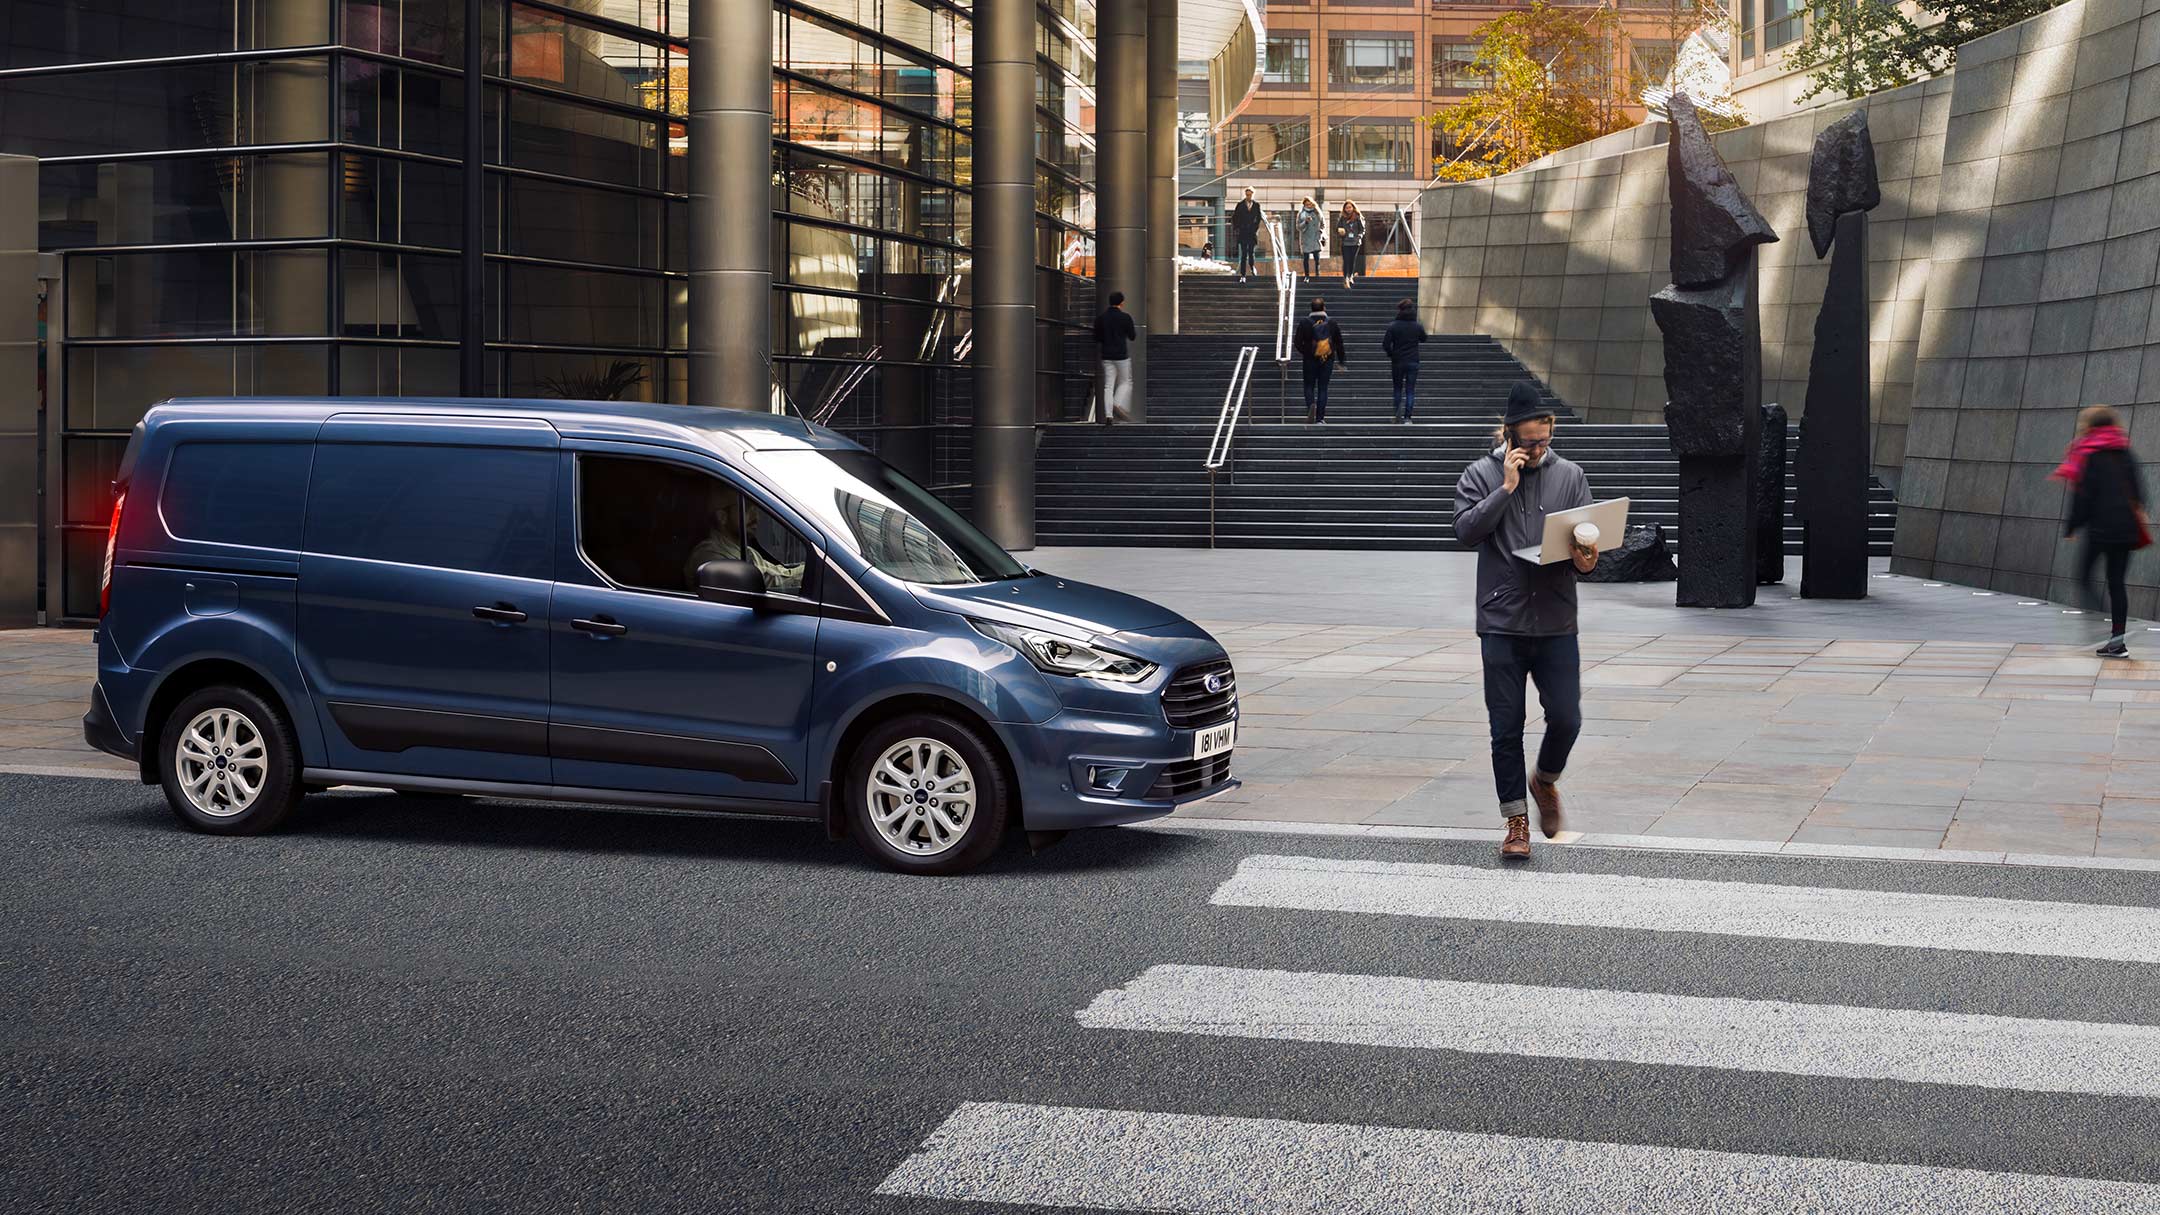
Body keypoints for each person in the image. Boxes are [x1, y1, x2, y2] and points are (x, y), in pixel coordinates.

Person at [1452, 382, 1597, 861]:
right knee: (1505, 726)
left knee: (1567, 718)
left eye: (1544, 441)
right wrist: (1505, 489)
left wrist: (1587, 557)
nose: (1537, 450)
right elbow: (1466, 530)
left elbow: (1584, 549)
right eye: (1529, 442)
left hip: (1556, 618)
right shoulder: (1480, 473)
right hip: (1502, 621)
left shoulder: (1571, 476)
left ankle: (1546, 780)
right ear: (1509, 436)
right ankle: (1516, 822)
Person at [2055, 405, 2149, 656]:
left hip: (2101, 529)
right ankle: (2117, 641)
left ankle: (2099, 623)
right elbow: (2140, 493)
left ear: (2091, 427)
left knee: (2084, 577)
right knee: (2117, 583)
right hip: (2126, 529)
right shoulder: (2126, 452)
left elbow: (2083, 496)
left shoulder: (2089, 455)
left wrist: (2072, 526)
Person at [1292, 296, 1348, 424]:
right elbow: (1339, 343)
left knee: (1309, 386)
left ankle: (1311, 407)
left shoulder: (1304, 322)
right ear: (1324, 307)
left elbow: (1297, 342)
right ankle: (1320, 418)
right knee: (1323, 388)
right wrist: (1341, 360)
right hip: (1327, 359)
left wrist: (1307, 352)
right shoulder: (1332, 322)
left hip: (1309, 360)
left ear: (1311, 308)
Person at [1093, 291, 1137, 425]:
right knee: (1126, 381)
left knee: (1108, 385)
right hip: (1121, 355)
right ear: (1122, 303)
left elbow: (1097, 338)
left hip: (1106, 355)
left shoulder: (1101, 318)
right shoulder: (1125, 317)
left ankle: (1108, 415)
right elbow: (1132, 336)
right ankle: (1116, 403)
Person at [1381, 298, 1427, 424]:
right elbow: (1424, 338)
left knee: (1397, 388)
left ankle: (1396, 415)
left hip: (1398, 361)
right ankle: (1408, 417)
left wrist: (1392, 354)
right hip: (1413, 360)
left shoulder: (1393, 326)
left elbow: (1385, 344)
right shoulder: (1416, 326)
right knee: (1410, 389)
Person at [1230, 188, 1263, 282]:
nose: (1249, 196)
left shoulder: (1256, 205)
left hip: (1252, 232)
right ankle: (1243, 274)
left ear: (1253, 195)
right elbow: (1235, 217)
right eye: (1247, 194)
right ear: (1245, 194)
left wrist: (1255, 228)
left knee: (1251, 252)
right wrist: (1238, 228)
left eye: (1250, 194)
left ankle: (1252, 267)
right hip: (1243, 231)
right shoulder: (1240, 205)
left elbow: (1259, 217)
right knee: (1244, 254)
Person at [1339, 200, 1366, 288]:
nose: (1348, 209)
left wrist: (1359, 236)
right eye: (1347, 208)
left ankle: (1350, 275)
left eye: (1350, 207)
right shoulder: (1342, 218)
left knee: (1352, 260)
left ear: (1353, 208)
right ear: (1344, 209)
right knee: (1346, 260)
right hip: (1345, 242)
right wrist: (1340, 231)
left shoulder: (1358, 217)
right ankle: (1345, 277)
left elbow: (1362, 229)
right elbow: (1337, 228)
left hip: (1355, 242)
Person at [1295, 198, 1323, 279]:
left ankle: (1318, 274)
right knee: (1306, 258)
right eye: (1307, 204)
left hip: (1315, 238)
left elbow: (1322, 224)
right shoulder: (1301, 214)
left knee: (1317, 258)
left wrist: (1321, 231)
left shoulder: (1318, 213)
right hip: (1306, 239)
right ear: (1304, 205)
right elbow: (1298, 227)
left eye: (1310, 204)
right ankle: (1307, 275)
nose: (1309, 206)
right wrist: (1305, 222)